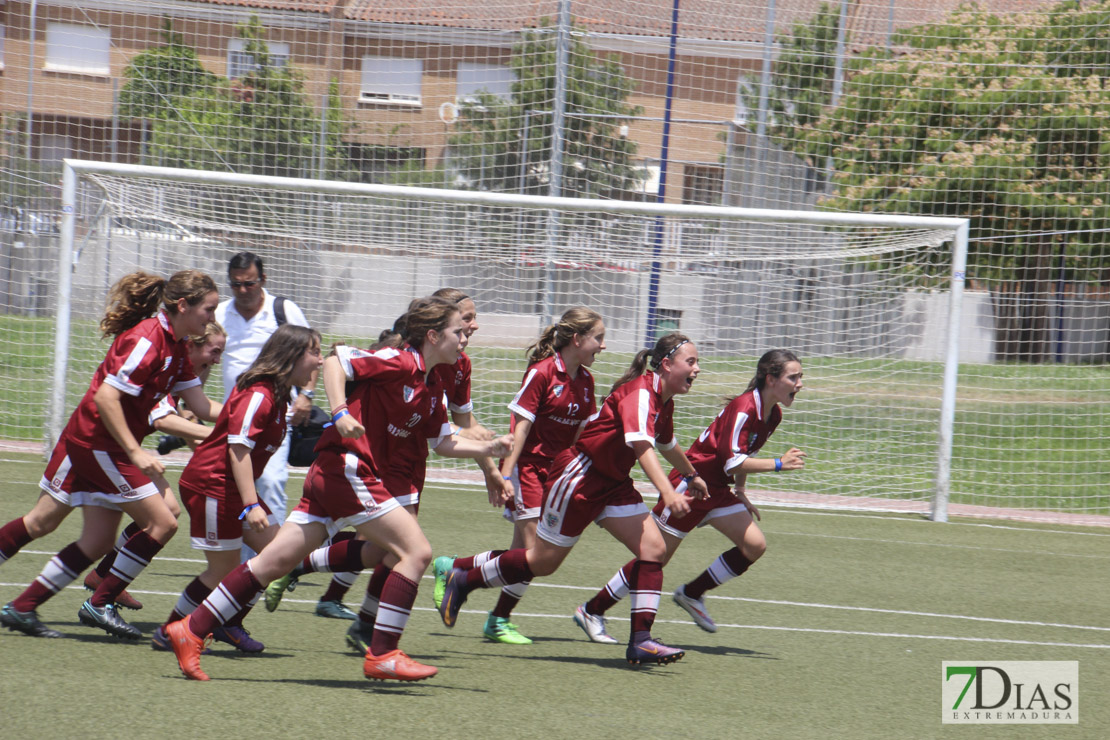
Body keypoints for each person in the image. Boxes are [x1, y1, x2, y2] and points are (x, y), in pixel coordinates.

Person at [164, 296, 512, 682]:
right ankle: (382, 653)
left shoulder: (432, 384)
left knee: (273, 563)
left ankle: (190, 628)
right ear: (432, 335)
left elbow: (443, 442)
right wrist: (340, 411)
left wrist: (486, 448)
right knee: (416, 551)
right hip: (347, 468)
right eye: (458, 330)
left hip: (333, 474)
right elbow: (335, 361)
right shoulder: (399, 360)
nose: (466, 336)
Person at [437, 332, 708, 667]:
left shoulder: (662, 398)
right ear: (666, 364)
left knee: (654, 549)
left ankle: (641, 641)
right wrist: (668, 492)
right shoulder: (640, 392)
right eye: (691, 362)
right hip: (581, 476)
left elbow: (665, 443)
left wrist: (692, 475)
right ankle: (464, 578)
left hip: (614, 483)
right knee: (543, 562)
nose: (697, 370)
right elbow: (642, 446)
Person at [265, 288, 513, 626]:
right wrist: (340, 412)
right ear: (437, 329)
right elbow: (344, 365)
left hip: (411, 457)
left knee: (390, 548)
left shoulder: (458, 365)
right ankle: (364, 625)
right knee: (401, 547)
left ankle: (358, 618)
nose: (473, 326)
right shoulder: (404, 357)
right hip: (376, 456)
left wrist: (491, 465)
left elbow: (459, 425)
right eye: (466, 319)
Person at [0, 270, 221, 639]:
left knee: (71, 532)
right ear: (183, 305)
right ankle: (99, 604)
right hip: (97, 444)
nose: (212, 318)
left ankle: (23, 607)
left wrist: (244, 422)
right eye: (209, 309)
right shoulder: (149, 338)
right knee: (164, 521)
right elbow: (105, 398)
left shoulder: (178, 346)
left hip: (99, 444)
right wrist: (136, 452)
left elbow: (201, 404)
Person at [579, 349, 806, 636]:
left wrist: (740, 488)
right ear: (771, 379)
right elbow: (732, 460)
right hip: (691, 485)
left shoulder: (773, 414)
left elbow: (745, 453)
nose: (799, 384)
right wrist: (777, 464)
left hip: (718, 489)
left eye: (800, 377)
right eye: (793, 377)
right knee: (655, 557)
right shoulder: (744, 407)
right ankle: (592, 609)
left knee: (754, 546)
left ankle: (692, 593)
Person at [431, 307, 606, 645]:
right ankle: (461, 574)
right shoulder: (541, 373)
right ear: (577, 339)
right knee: (534, 555)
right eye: (598, 338)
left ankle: (492, 611)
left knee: (524, 555)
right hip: (529, 470)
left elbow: (580, 435)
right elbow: (520, 428)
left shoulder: (586, 381)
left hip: (556, 476)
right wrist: (506, 475)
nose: (602, 346)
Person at [150, 324, 323, 654]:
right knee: (223, 571)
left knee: (279, 556)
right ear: (292, 356)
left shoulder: (277, 392)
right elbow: (237, 449)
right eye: (313, 353)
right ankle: (169, 631)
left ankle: (228, 623)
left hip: (231, 488)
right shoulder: (260, 394)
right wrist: (250, 504)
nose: (318, 362)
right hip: (212, 485)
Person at [81, 322, 228, 611]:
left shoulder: (192, 370)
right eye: (214, 351)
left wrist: (235, 422)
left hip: (123, 447)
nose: (217, 359)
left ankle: (104, 579)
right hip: (107, 446)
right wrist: (223, 432)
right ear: (192, 345)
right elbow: (162, 419)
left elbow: (190, 414)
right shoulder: (169, 365)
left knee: (165, 515)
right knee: (44, 522)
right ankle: (99, 594)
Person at [215, 252, 317, 560]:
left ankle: (269, 559)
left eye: (250, 283)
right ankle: (251, 561)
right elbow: (205, 353)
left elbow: (312, 352)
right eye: (236, 284)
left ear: (263, 280)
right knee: (234, 484)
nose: (243, 291)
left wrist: (306, 395)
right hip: (234, 415)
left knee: (270, 481)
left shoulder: (282, 310)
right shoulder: (220, 313)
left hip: (275, 413)